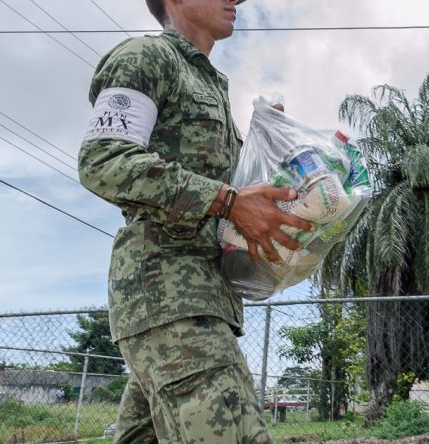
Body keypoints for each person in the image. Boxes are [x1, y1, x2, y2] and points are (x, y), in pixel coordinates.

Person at [78, 0, 312, 442]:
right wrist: (227, 199)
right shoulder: (146, 58)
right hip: (169, 296)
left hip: (200, 300)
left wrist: (267, 165)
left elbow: (234, 198)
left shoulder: (211, 86)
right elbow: (101, 160)